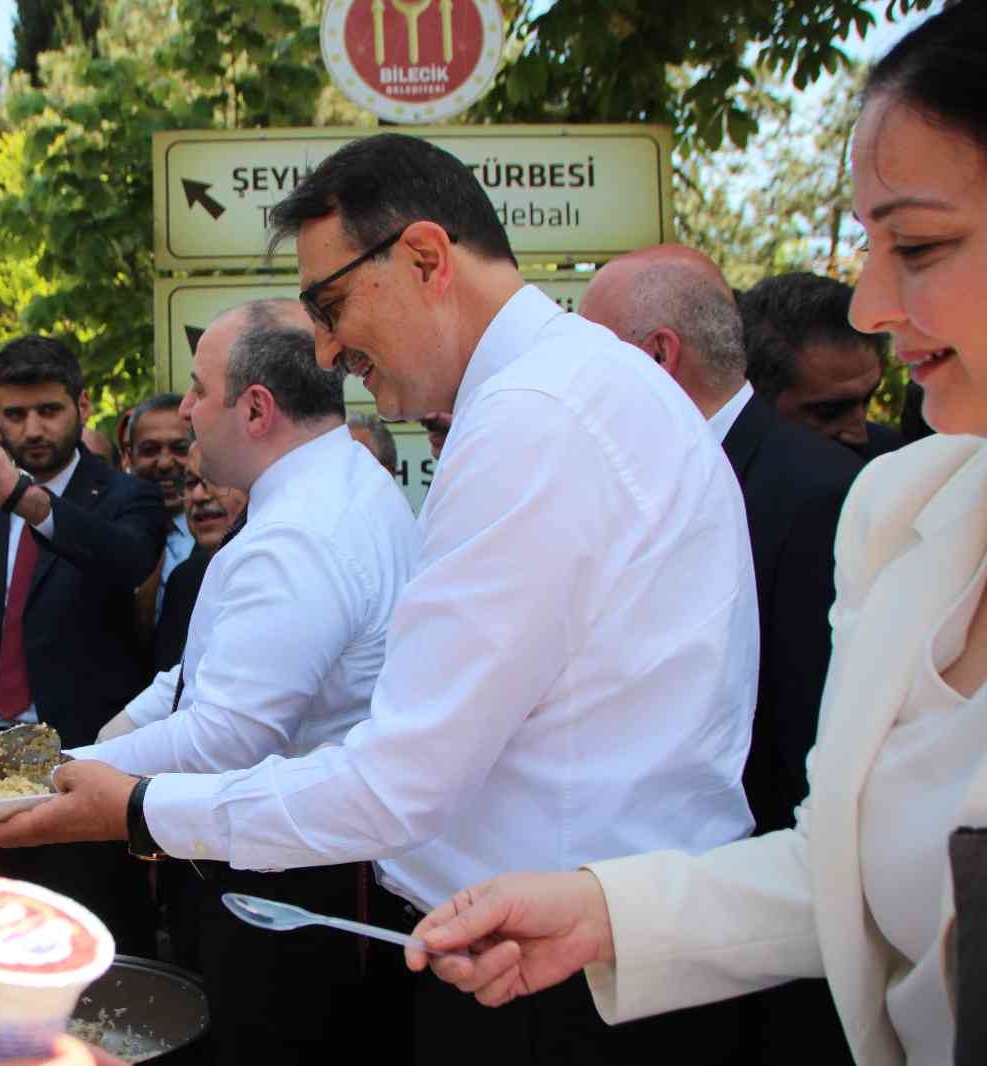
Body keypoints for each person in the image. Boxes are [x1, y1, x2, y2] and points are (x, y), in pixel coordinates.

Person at [0, 132, 758, 1065]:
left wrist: (139, 808)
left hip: (563, 983)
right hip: (558, 948)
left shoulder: (536, 417)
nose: (324, 345)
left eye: (331, 302)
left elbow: (399, 779)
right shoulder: (559, 392)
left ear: (426, 258)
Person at [406, 9, 987, 1066]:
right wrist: (604, 914)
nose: (867, 303)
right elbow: (841, 874)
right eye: (867, 246)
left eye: (920, 244)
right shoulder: (904, 518)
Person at [75, 298, 418, 1064]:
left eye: (199, 391)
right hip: (299, 854)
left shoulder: (300, 532)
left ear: (257, 408)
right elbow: (219, 667)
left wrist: (60, 777)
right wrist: (121, 729)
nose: (188, 410)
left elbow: (230, 734)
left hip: (292, 884)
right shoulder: (333, 486)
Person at [578, 244, 861, 1063]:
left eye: (590, 360)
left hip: (772, 958)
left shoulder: (817, 496)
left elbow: (810, 754)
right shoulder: (647, 480)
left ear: (657, 355)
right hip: (668, 932)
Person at [0, 335, 168, 955]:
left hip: (80, 766)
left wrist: (26, 501)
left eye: (49, 410)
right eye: (15, 413)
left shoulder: (125, 496)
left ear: (82, 405)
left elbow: (128, 561)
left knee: (94, 958)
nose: (32, 427)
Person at [741, 271, 904, 460]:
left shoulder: (900, 462)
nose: (860, 436)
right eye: (829, 412)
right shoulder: (714, 475)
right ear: (754, 396)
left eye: (867, 400)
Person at [142, 440, 250, 674]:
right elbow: (175, 680)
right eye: (190, 483)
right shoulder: (184, 579)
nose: (199, 496)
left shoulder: (278, 570)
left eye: (216, 480)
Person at [124, 393, 195, 630]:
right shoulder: (107, 529)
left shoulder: (225, 532)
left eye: (179, 448)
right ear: (128, 456)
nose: (165, 463)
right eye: (150, 450)